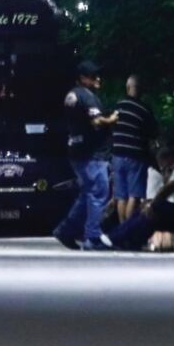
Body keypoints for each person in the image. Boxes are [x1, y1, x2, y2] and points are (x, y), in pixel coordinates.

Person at [53, 60, 119, 250]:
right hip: (92, 153)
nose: (98, 79)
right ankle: (93, 237)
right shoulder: (87, 96)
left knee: (88, 193)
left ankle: (66, 230)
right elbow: (96, 122)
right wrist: (112, 119)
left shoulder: (72, 95)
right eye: (93, 76)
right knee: (98, 191)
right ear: (82, 78)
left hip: (76, 149)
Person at [102, 139, 174, 251]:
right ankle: (124, 240)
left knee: (156, 206)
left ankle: (116, 238)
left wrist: (152, 204)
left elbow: (167, 189)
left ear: (170, 160)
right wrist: (149, 205)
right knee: (149, 214)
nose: (163, 170)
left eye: (163, 166)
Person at [111, 75, 158, 222]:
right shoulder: (144, 109)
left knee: (121, 197)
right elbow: (153, 133)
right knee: (134, 196)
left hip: (117, 155)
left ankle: (121, 228)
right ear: (141, 89)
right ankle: (129, 229)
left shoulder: (118, 106)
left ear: (127, 88)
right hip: (135, 156)